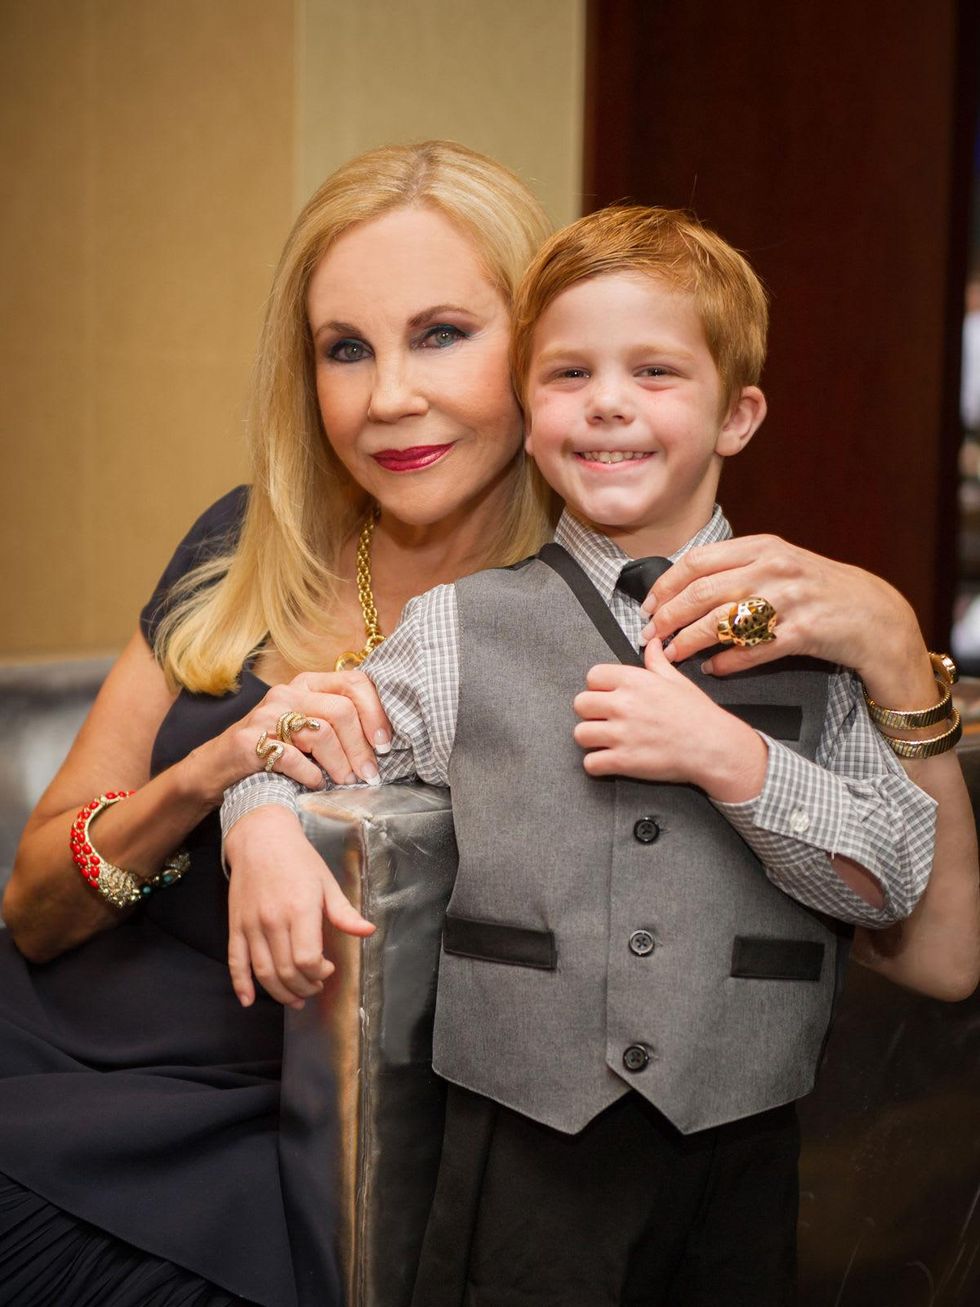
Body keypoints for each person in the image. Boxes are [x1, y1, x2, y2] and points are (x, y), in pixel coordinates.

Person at [1, 141, 974, 1307]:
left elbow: (932, 950)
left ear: (531, 351)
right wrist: (225, 779)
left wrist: (890, 646)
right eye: (343, 349)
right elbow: (35, 910)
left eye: (442, 334)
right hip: (62, 1068)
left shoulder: (648, 604)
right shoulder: (247, 542)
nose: (386, 397)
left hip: (313, 1143)